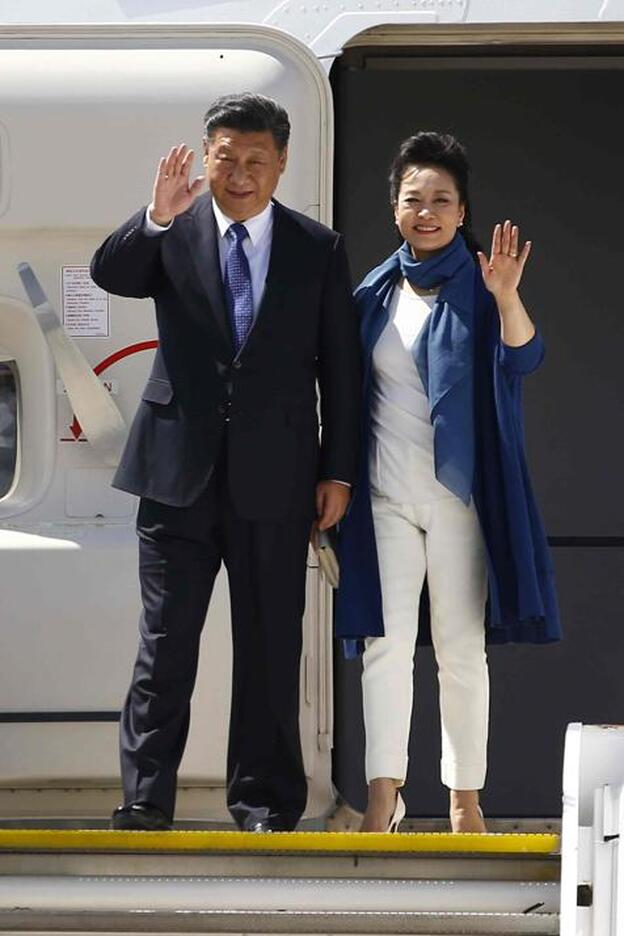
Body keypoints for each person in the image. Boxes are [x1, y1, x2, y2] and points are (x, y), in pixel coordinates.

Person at [91, 93, 361, 832]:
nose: (240, 174)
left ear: (280, 166)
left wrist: (336, 471)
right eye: (226, 158)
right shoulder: (171, 230)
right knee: (165, 647)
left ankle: (267, 803)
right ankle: (146, 800)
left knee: (272, 648)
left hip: (278, 481)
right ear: (205, 157)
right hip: (176, 476)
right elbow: (110, 273)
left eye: (256, 161)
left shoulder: (318, 247)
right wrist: (155, 213)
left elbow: (340, 367)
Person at [335, 131, 560, 834]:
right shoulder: (371, 292)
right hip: (384, 497)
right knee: (385, 649)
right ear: (394, 208)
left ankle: (465, 800)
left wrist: (507, 297)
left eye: (441, 201)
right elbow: (343, 392)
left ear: (463, 211)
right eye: (413, 200)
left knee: (461, 649)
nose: (426, 212)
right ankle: (383, 795)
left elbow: (524, 361)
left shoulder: (484, 281)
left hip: (459, 498)